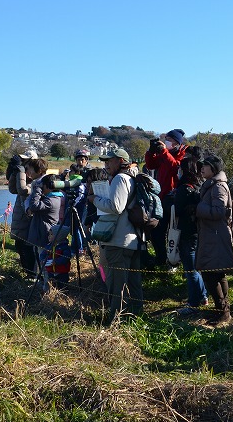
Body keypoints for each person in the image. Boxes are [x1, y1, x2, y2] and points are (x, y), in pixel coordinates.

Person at [88, 148, 143, 318]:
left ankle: (117, 318)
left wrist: (94, 199)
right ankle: (135, 316)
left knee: (116, 283)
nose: (106, 165)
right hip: (132, 239)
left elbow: (115, 207)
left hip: (118, 240)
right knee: (133, 283)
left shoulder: (120, 178)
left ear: (120, 161)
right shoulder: (132, 178)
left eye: (109, 161)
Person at [195, 153, 233, 325]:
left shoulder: (218, 187)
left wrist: (198, 207)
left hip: (216, 236)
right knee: (215, 273)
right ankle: (221, 310)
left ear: (213, 169)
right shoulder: (212, 185)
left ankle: (223, 312)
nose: (202, 169)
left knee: (213, 274)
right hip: (212, 235)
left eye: (205, 166)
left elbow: (219, 212)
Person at [145, 129, 189, 266]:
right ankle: (161, 259)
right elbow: (151, 165)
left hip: (176, 197)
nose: (167, 142)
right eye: (166, 139)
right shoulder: (165, 154)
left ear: (177, 142)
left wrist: (164, 152)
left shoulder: (184, 153)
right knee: (157, 232)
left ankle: (176, 260)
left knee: (175, 232)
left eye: (170, 139)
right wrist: (151, 151)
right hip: (162, 197)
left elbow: (176, 167)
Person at [173, 152, 209, 316]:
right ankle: (203, 297)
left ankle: (193, 303)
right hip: (198, 231)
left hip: (186, 233)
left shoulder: (183, 189)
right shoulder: (200, 187)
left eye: (180, 169)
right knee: (197, 268)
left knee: (191, 270)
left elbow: (177, 209)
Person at [10, 153, 45, 277]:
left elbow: (23, 190)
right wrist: (14, 172)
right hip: (21, 219)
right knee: (20, 246)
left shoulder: (38, 183)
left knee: (28, 249)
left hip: (28, 221)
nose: (24, 166)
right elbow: (13, 189)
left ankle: (32, 275)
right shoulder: (28, 177)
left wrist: (20, 172)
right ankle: (29, 274)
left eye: (26, 162)